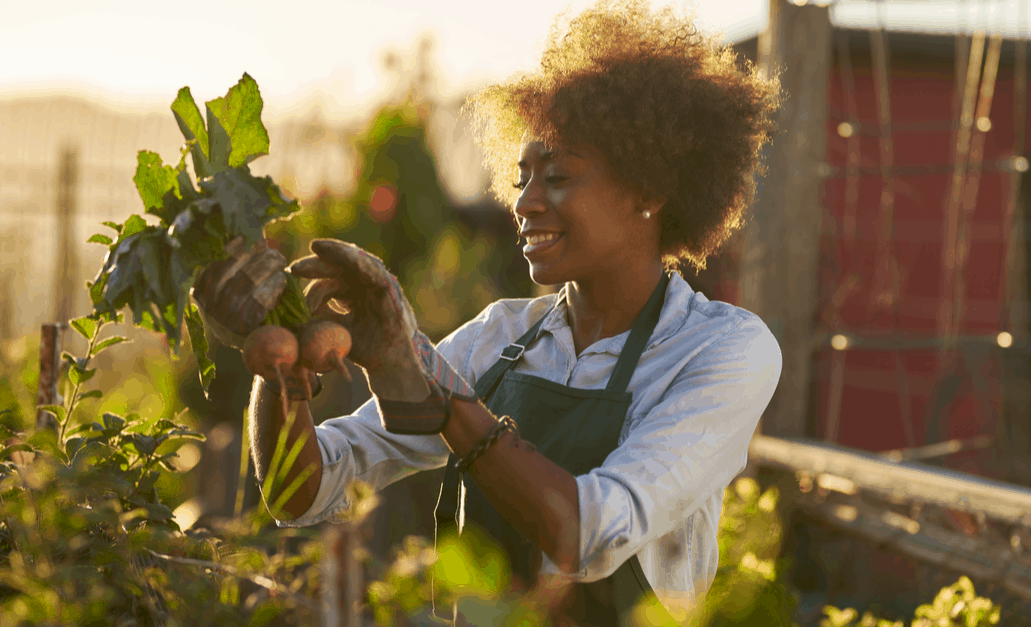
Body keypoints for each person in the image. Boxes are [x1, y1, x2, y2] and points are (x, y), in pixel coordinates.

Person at [192, 1, 782, 624]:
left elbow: (589, 533)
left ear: (649, 190)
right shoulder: (501, 337)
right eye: (522, 177)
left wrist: (441, 396)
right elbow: (302, 493)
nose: (524, 203)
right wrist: (280, 360)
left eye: (557, 176)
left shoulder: (720, 351)